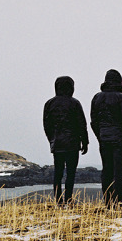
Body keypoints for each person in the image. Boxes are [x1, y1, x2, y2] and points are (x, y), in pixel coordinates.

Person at [90, 69, 122, 206]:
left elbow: (93, 122)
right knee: (120, 172)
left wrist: (100, 136)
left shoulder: (97, 97)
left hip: (104, 139)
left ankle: (108, 202)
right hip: (119, 139)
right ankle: (120, 201)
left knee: (107, 170)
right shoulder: (120, 97)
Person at [43, 76, 88, 205]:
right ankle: (68, 199)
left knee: (58, 173)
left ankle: (58, 200)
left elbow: (46, 125)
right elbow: (81, 124)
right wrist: (85, 141)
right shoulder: (74, 103)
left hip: (57, 143)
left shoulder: (49, 103)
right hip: (73, 143)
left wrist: (51, 139)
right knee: (70, 173)